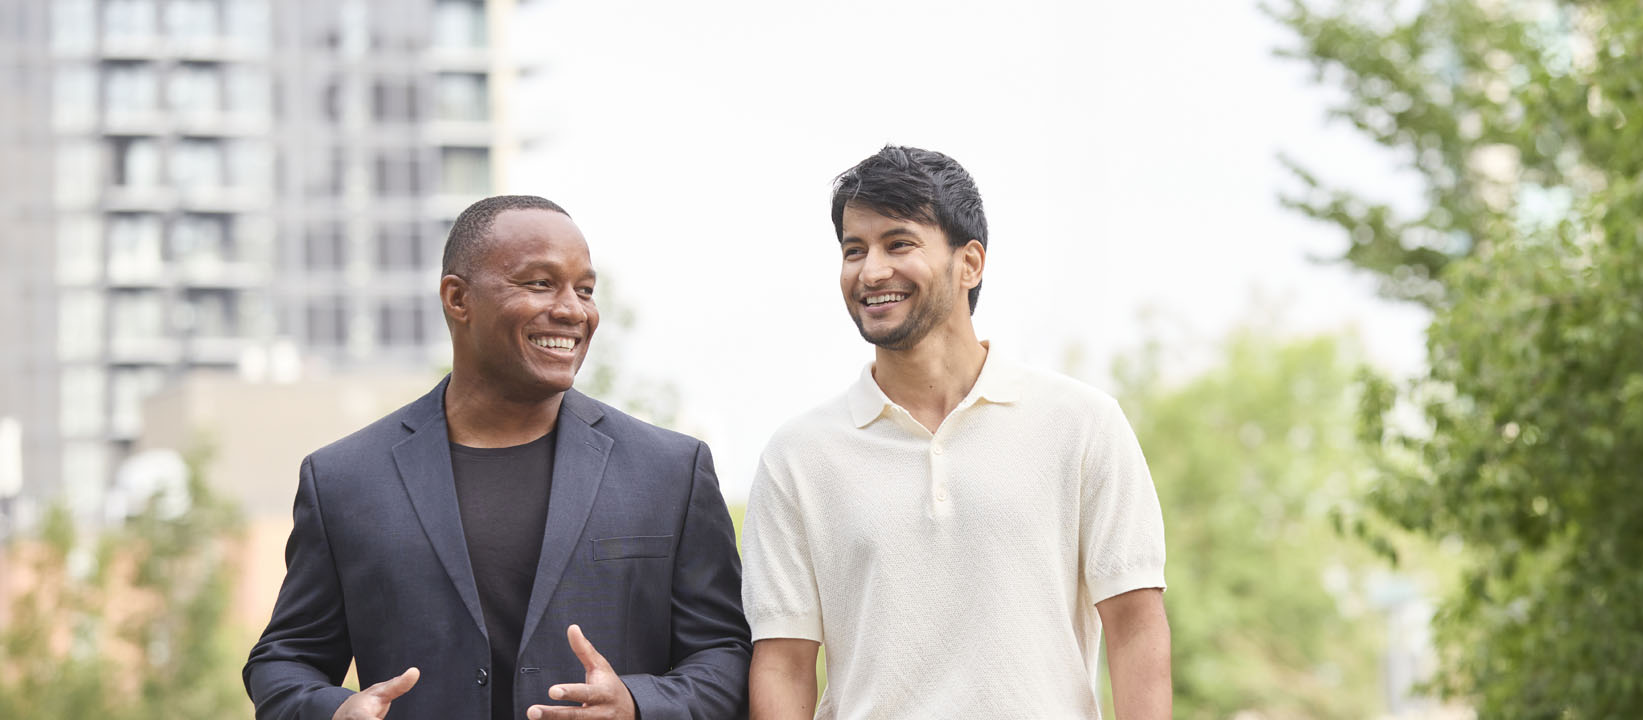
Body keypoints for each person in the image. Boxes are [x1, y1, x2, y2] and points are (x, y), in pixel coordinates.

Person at [244, 195, 750, 720]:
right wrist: (336, 711)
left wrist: (638, 705)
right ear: (458, 298)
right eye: (539, 283)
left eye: (584, 290)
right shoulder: (343, 479)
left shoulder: (671, 471)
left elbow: (727, 656)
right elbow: (284, 661)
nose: (572, 309)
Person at [741, 147, 1171, 719]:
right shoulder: (798, 455)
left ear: (970, 263)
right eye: (854, 249)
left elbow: (1136, 627)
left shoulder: (1082, 423)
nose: (870, 271)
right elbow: (783, 663)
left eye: (899, 244)